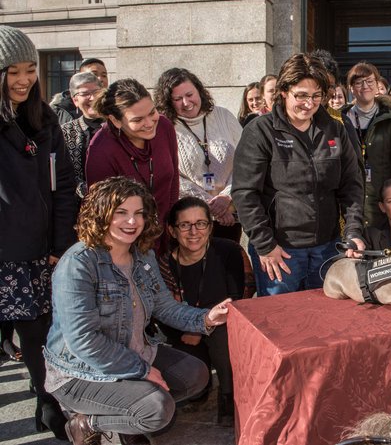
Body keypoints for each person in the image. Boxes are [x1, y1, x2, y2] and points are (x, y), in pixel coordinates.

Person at [44, 176, 230, 445]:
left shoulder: (142, 255)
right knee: (157, 409)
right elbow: (84, 341)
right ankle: (86, 423)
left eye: (138, 214)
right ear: (101, 214)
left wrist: (206, 318)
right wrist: (141, 370)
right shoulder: (78, 264)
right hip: (80, 372)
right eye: (121, 213)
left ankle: (126, 412)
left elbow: (164, 305)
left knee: (195, 375)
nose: (132, 222)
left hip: (134, 352)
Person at [232, 53, 365, 296]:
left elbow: (352, 185)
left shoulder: (335, 129)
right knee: (282, 325)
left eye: (316, 96)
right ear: (284, 91)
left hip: (327, 248)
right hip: (280, 252)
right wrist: (265, 244)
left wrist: (354, 231)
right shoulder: (260, 131)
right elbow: (245, 194)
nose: (309, 103)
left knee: (324, 323)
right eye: (301, 95)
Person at [0, 25, 77, 440]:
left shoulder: (44, 119)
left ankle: (48, 406)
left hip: (37, 252)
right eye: (13, 71)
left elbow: (63, 185)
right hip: (4, 250)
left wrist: (60, 242)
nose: (24, 79)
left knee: (38, 335)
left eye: (31, 69)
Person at [159, 196, 245, 424]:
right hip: (181, 334)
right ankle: (203, 385)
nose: (193, 231)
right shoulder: (163, 263)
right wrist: (192, 329)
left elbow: (233, 298)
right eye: (185, 225)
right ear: (172, 230)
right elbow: (162, 310)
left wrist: (199, 328)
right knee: (194, 392)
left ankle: (229, 394)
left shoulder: (228, 251)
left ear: (210, 226)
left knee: (222, 331)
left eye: (201, 223)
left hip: (218, 328)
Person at [86, 79, 179, 250]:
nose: (150, 123)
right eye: (138, 119)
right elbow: (104, 213)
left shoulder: (164, 127)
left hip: (166, 234)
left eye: (152, 113)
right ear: (115, 121)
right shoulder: (101, 149)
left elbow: (173, 181)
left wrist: (173, 226)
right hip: (126, 243)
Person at [155, 68, 242, 242]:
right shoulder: (164, 127)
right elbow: (170, 175)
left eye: (189, 94)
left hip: (231, 216)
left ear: (199, 91)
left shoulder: (223, 116)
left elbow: (247, 161)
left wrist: (227, 197)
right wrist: (211, 206)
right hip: (190, 221)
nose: (186, 103)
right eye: (177, 99)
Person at [345, 62, 391, 227]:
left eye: (370, 81)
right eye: (358, 82)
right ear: (351, 89)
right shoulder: (340, 120)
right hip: (349, 198)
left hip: (381, 199)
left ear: (376, 85)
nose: (365, 86)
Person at [60, 71, 104, 200]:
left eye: (96, 92)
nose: (92, 98)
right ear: (75, 100)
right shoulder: (66, 131)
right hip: (79, 205)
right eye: (85, 94)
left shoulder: (119, 125)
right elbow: (64, 173)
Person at [50, 58, 109, 125]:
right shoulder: (65, 111)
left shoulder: (114, 106)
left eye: (104, 75)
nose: (100, 79)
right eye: (94, 75)